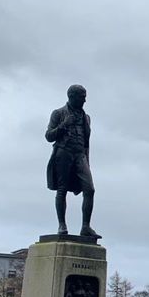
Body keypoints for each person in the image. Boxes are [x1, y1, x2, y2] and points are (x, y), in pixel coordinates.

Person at [46, 84, 100, 238]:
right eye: (82, 97)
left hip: (80, 155)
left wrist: (87, 161)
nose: (85, 100)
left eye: (85, 97)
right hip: (64, 153)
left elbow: (86, 142)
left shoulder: (86, 117)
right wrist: (64, 125)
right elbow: (49, 136)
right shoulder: (58, 113)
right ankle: (62, 225)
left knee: (89, 189)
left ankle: (85, 226)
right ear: (72, 96)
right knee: (62, 189)